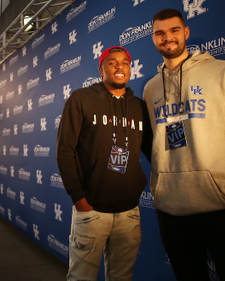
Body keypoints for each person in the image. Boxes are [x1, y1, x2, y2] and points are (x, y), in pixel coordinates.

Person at [143, 8, 225, 281]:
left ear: (186, 32)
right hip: (171, 211)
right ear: (153, 39)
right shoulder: (151, 88)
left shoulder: (222, 71)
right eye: (160, 33)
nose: (168, 38)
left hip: (223, 208)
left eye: (174, 30)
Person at [56, 46, 151, 281]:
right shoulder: (81, 98)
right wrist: (79, 198)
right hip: (92, 211)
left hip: (129, 211)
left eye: (125, 62)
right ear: (101, 69)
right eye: (112, 62)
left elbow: (153, 151)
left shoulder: (140, 107)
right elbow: (64, 150)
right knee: (81, 278)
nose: (119, 66)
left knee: (122, 278)